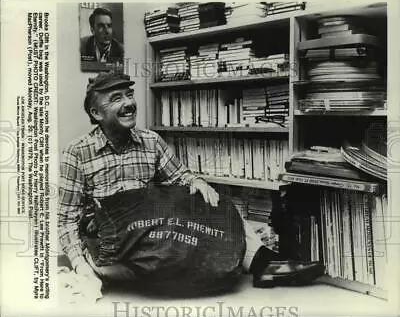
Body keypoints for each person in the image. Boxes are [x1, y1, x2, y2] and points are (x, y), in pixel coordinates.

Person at [58, 71, 324, 296]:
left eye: (129, 94)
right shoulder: (77, 152)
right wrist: (81, 267)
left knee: (211, 201)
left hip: (149, 234)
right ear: (95, 112)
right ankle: (119, 274)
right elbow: (66, 221)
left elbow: (180, 177)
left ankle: (265, 263)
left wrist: (198, 183)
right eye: (117, 98)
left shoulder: (150, 141)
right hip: (112, 242)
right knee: (168, 264)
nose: (129, 103)